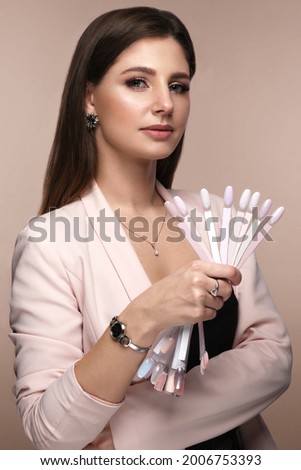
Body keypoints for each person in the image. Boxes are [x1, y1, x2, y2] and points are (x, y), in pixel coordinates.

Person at [9, 6, 292, 450]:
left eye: (178, 85)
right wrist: (145, 315)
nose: (165, 103)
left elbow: (274, 359)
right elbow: (51, 432)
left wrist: (125, 432)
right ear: (89, 98)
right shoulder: (50, 244)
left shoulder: (218, 217)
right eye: (138, 81)